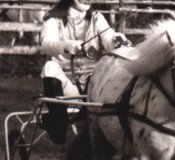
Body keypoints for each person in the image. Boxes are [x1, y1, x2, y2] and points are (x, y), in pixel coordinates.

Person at [40, 0, 131, 144]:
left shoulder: (96, 17)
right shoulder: (53, 18)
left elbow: (109, 39)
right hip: (66, 85)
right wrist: (66, 45)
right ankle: (58, 125)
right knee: (49, 67)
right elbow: (46, 44)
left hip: (93, 83)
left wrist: (117, 41)